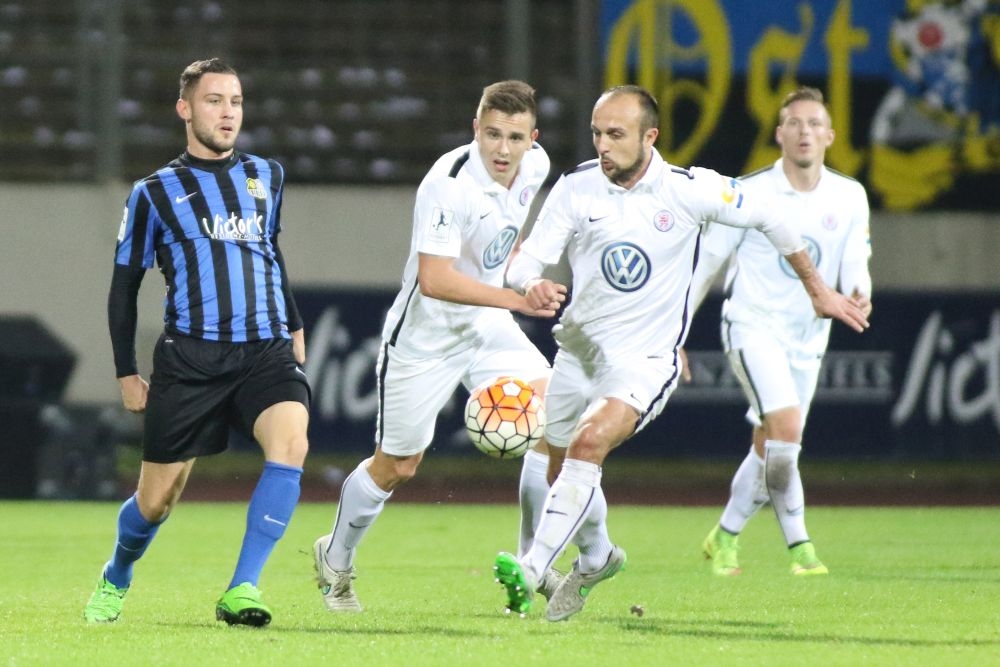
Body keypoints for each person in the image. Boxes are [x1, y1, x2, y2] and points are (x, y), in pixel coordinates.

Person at [492, 85, 869, 622]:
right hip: (577, 351)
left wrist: (817, 289)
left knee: (588, 443)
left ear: (650, 136)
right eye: (597, 133)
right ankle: (598, 557)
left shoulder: (691, 190)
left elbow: (772, 216)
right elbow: (527, 260)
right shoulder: (577, 188)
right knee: (559, 469)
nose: (603, 145)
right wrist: (531, 284)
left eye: (616, 134)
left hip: (644, 361)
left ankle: (533, 569)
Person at [312, 80, 569, 612]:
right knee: (398, 466)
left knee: (556, 414)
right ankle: (334, 558)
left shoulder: (536, 167)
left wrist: (526, 280)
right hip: (425, 339)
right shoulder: (448, 184)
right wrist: (516, 299)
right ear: (475, 129)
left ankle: (533, 565)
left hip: (486, 326)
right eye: (492, 134)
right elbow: (434, 279)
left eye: (514, 137)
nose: (502, 149)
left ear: (533, 139)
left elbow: (504, 245)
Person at [83, 58, 310, 628]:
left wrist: (294, 322)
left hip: (264, 349)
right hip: (191, 358)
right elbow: (123, 287)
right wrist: (126, 372)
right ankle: (117, 572)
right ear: (185, 109)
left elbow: (271, 252)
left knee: (292, 444)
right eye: (214, 101)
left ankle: (242, 587)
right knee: (156, 502)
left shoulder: (267, 176)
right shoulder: (153, 193)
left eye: (236, 101)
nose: (228, 112)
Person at [690, 87, 873, 577]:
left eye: (814, 123)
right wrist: (677, 330)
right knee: (786, 430)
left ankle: (724, 536)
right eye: (794, 123)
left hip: (809, 336)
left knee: (769, 443)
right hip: (752, 325)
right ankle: (801, 548)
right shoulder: (749, 192)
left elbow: (855, 263)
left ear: (830, 135)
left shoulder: (849, 195)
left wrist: (860, 294)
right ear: (779, 134)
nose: (804, 131)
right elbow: (709, 261)